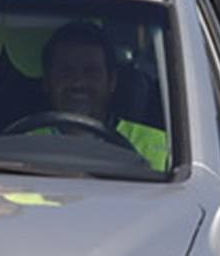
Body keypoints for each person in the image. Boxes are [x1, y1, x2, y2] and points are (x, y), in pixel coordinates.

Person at [39, 21, 168, 171]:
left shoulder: (164, 148)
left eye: (91, 72)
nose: (78, 82)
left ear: (111, 81)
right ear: (47, 82)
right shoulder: (24, 143)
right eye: (66, 72)